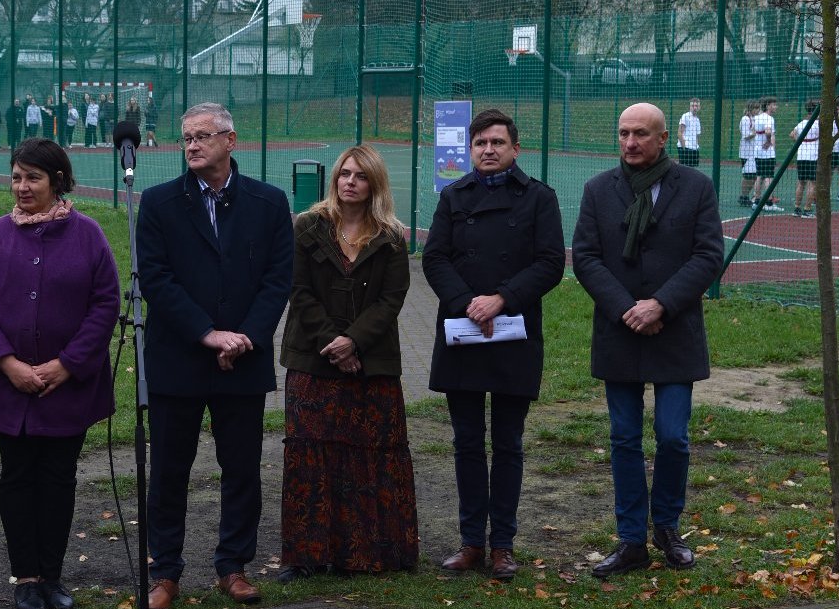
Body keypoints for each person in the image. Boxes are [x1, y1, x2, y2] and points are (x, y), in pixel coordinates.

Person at [137, 102, 294, 609]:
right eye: (186, 138)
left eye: (203, 136)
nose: (192, 145)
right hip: (179, 357)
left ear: (231, 140)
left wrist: (244, 337)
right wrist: (208, 334)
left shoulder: (269, 203)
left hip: (243, 360)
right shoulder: (158, 203)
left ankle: (233, 566)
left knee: (242, 468)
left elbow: (277, 280)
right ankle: (165, 572)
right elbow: (156, 281)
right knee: (168, 471)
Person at [0, 138, 119, 609]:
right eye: (16, 177)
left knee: (58, 479)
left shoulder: (89, 234)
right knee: (17, 477)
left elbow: (105, 304)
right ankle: (25, 576)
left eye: (33, 177)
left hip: (68, 387)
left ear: (58, 181)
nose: (22, 186)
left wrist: (66, 364)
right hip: (8, 387)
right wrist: (7, 363)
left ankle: (52, 574)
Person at [573, 103, 724, 578]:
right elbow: (586, 257)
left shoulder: (695, 187)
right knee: (624, 438)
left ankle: (667, 528)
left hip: (674, 331)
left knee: (674, 437)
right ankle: (631, 539)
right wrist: (627, 309)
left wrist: (660, 304)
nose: (630, 142)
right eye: (623, 133)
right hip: (620, 332)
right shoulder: (599, 189)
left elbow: (707, 255)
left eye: (640, 134)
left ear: (664, 139)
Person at [422, 110, 564, 581]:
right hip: (463, 332)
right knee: (466, 442)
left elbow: (549, 264)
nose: (488, 149)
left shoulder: (540, 198)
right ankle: (470, 542)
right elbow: (435, 257)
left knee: (508, 443)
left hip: (512, 335)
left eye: (497, 142)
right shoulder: (452, 196)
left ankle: (502, 544)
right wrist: (467, 304)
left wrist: (502, 298)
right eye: (480, 142)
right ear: (470, 149)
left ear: (514, 148)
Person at [277, 144, 417, 583]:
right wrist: (333, 343)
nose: (350, 182)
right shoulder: (307, 227)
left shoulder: (391, 237)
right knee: (311, 458)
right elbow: (298, 291)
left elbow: (391, 298)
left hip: (371, 363)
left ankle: (370, 553)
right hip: (313, 360)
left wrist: (354, 341)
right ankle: (306, 556)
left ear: (374, 184)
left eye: (359, 176)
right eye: (344, 174)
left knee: (370, 456)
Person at [789, 101, 822, 217]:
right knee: (812, 183)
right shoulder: (818, 124)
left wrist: (800, 141)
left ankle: (797, 208)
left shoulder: (802, 123)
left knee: (801, 183)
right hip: (813, 156)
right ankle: (807, 209)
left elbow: (792, 134)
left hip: (801, 155)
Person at [752, 97, 781, 211]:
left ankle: (757, 201)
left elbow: (754, 131)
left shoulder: (757, 117)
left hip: (757, 151)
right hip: (767, 152)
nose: (775, 107)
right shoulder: (769, 118)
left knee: (759, 176)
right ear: (768, 105)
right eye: (774, 105)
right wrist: (769, 141)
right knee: (768, 177)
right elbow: (768, 131)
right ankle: (769, 203)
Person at [736, 101, 758, 207]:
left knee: (754, 176)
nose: (757, 111)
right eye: (755, 108)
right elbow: (745, 135)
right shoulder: (745, 119)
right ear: (750, 109)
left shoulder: (755, 119)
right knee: (747, 175)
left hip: (753, 152)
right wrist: (754, 133)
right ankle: (743, 196)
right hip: (746, 152)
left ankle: (746, 196)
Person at [676, 99, 701, 168]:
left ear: (699, 107)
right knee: (684, 171)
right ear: (690, 107)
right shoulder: (685, 116)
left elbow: (697, 136)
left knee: (692, 171)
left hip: (694, 149)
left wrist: (696, 147)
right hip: (685, 148)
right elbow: (679, 133)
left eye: (696, 106)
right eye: (693, 106)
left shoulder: (697, 120)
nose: (694, 107)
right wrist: (684, 148)